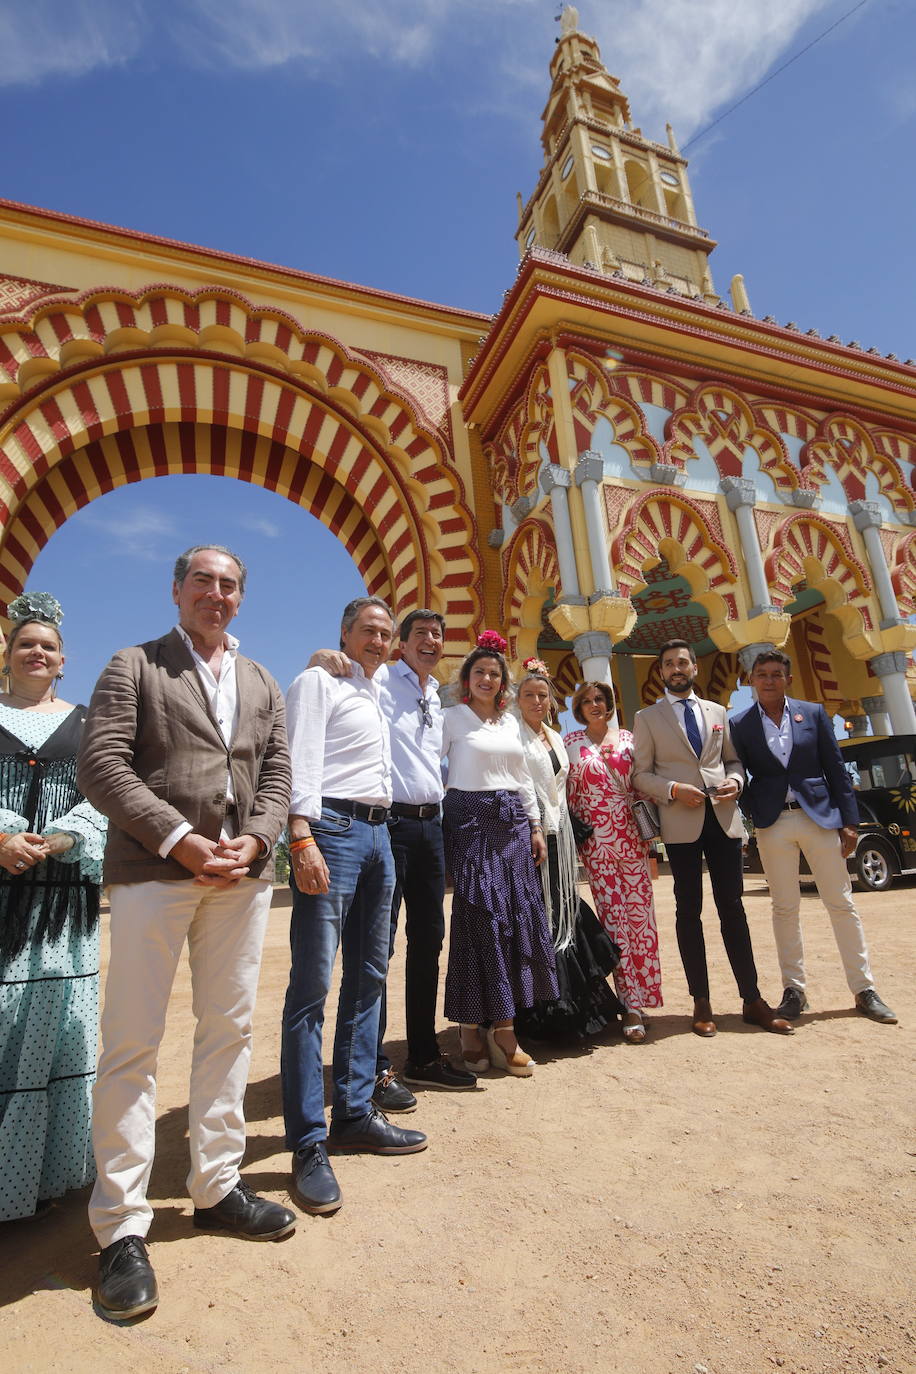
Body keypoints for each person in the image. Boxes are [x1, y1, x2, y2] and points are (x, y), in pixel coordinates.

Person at [78, 546, 294, 1322]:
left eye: (229, 584)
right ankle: (122, 1227)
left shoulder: (261, 679)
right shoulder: (134, 664)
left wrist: (260, 840)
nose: (215, 593)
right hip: (153, 875)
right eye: (201, 580)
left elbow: (276, 771)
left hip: (240, 882)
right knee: (134, 1042)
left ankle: (217, 1185)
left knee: (229, 1032)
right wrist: (179, 838)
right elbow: (101, 766)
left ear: (242, 598)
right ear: (176, 591)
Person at [283, 598, 427, 1221]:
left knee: (370, 977)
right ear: (344, 632)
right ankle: (308, 1142)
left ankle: (355, 1112)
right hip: (333, 828)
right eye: (368, 630)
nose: (377, 639)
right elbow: (298, 756)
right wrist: (300, 834)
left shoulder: (378, 692)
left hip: (379, 833)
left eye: (385, 633)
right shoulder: (319, 680)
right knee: (312, 986)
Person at [306, 609, 476, 1114]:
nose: (430, 642)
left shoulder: (434, 695)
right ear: (400, 643)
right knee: (376, 949)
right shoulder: (381, 678)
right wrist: (321, 657)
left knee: (430, 940)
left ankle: (423, 1052)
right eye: (419, 634)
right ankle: (373, 1066)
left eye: (437, 636)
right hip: (389, 825)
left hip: (430, 825)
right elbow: (345, 670)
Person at [0, 593, 106, 1224]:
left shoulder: (89, 724)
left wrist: (65, 837)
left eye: (47, 646)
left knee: (54, 1029)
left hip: (64, 902)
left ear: (63, 661)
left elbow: (108, 798)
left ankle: (34, 1180)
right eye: (24, 644)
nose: (36, 653)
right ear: (7, 656)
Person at [632, 639, 792, 1037]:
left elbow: (733, 761)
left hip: (723, 820)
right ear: (661, 672)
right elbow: (640, 774)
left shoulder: (719, 712)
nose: (676, 668)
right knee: (689, 912)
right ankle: (701, 1001)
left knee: (733, 909)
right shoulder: (647, 717)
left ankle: (752, 999)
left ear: (694, 668)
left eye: (682, 662)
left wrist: (735, 781)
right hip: (680, 823)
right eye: (668, 663)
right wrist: (671, 789)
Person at [730, 649, 897, 1026]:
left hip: (819, 817)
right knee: (784, 907)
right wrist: (752, 813)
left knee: (840, 902)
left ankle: (864, 989)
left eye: (776, 674)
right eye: (761, 674)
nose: (769, 680)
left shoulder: (814, 713)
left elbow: (835, 767)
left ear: (787, 679)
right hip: (774, 823)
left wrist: (849, 822)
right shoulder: (740, 724)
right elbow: (739, 772)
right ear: (751, 680)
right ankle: (794, 990)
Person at [440, 632, 557, 1077]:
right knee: (478, 918)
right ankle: (470, 1027)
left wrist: (534, 827)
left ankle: (505, 1029)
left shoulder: (509, 722)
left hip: (511, 823)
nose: (488, 679)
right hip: (468, 819)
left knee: (514, 920)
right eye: (480, 672)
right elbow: (434, 769)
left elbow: (522, 776)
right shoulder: (451, 717)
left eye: (494, 673)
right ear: (467, 679)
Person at [513, 664, 623, 1041]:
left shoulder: (555, 737)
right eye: (529, 694)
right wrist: (533, 826)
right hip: (529, 836)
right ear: (517, 698)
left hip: (558, 835)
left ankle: (576, 1009)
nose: (537, 701)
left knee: (562, 912)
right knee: (539, 916)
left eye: (543, 695)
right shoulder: (513, 736)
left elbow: (560, 788)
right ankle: (539, 1015)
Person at [564, 680, 661, 1043]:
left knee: (641, 920)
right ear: (579, 708)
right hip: (598, 846)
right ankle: (630, 1004)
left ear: (609, 703)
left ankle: (645, 997)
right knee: (615, 923)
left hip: (632, 840)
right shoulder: (571, 744)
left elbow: (639, 786)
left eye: (600, 699)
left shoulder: (629, 740)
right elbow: (570, 797)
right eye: (587, 701)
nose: (594, 705)